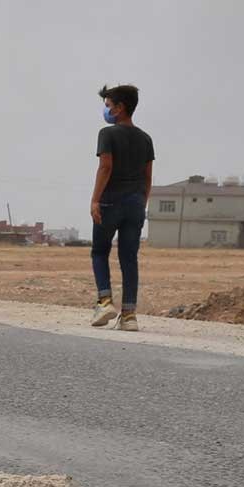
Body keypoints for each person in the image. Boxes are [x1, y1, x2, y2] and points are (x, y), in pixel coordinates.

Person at [90, 83, 154, 332]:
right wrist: (142, 202)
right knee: (129, 258)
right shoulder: (146, 139)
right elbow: (148, 177)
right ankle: (129, 315)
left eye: (108, 106)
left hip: (110, 201)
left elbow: (105, 167)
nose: (106, 111)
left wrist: (95, 199)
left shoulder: (107, 134)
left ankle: (105, 301)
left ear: (120, 108)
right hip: (136, 203)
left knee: (99, 252)